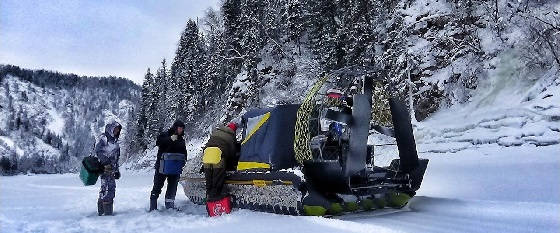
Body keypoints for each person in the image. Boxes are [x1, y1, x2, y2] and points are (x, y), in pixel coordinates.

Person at [203, 121, 240, 217]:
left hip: (206, 155)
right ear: (234, 130)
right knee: (217, 182)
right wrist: (232, 166)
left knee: (209, 183)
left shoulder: (216, 131)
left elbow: (208, 144)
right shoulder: (231, 136)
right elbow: (232, 153)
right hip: (217, 155)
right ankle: (217, 207)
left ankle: (209, 207)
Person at [150, 120, 187, 211]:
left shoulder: (181, 140)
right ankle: (153, 207)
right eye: (179, 128)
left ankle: (170, 206)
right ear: (175, 127)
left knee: (172, 186)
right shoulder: (165, 135)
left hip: (175, 167)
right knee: (157, 186)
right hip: (162, 166)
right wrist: (170, 139)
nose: (180, 130)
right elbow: (158, 142)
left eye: (182, 129)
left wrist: (183, 162)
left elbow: (184, 152)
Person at [95, 120, 122, 216]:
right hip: (104, 169)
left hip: (112, 169)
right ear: (110, 129)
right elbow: (98, 151)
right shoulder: (104, 138)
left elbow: (116, 158)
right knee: (106, 188)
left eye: (118, 130)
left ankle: (103, 210)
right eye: (115, 129)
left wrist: (117, 170)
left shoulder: (115, 142)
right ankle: (106, 212)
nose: (116, 131)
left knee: (109, 188)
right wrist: (106, 162)